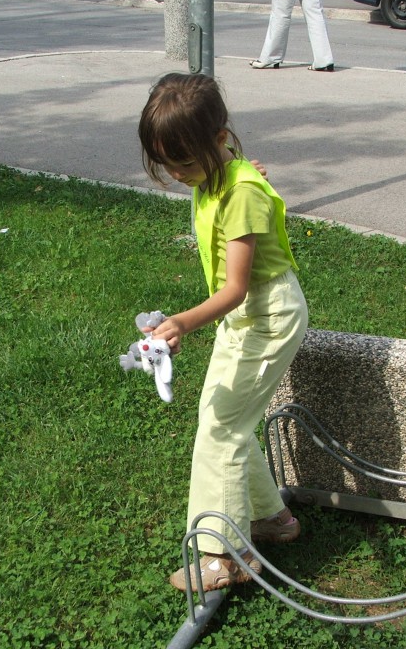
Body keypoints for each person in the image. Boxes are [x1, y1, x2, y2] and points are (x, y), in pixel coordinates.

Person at [137, 72, 309, 592]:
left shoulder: (240, 191)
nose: (179, 174)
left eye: (186, 162)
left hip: (268, 317)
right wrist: (233, 175)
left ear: (218, 139)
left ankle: (225, 555)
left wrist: (182, 322)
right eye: (168, 163)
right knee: (221, 420)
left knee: (222, 430)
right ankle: (274, 520)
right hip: (245, 318)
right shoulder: (219, 177)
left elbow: (235, 287)